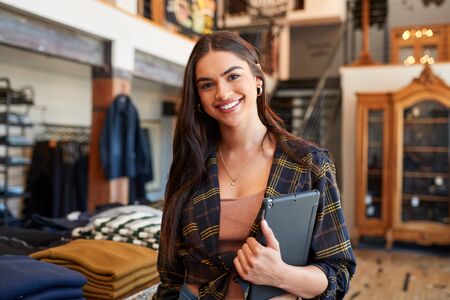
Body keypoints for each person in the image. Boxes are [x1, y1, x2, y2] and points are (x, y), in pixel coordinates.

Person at [154, 31, 356, 300]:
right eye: (207, 85)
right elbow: (170, 275)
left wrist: (280, 274)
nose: (223, 93)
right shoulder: (189, 166)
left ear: (258, 80)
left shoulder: (308, 163)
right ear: (198, 97)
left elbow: (338, 272)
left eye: (233, 76)